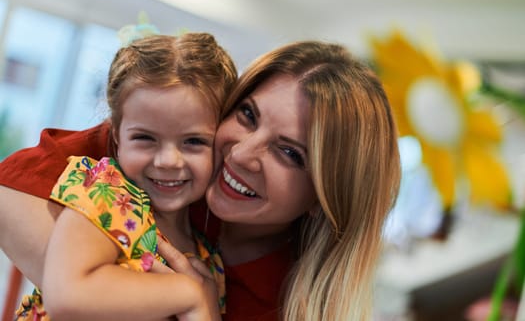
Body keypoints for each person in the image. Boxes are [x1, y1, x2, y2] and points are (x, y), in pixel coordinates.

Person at [0, 40, 401, 320]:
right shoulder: (138, 177)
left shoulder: (278, 298)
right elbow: (10, 187)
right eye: (247, 115)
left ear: (325, 197)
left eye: (290, 152)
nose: (240, 154)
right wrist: (185, 298)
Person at [14, 31, 237, 321]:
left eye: (194, 141)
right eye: (145, 138)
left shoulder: (209, 260)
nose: (168, 160)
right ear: (117, 135)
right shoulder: (108, 193)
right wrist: (189, 295)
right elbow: (68, 296)